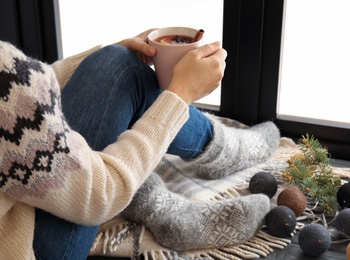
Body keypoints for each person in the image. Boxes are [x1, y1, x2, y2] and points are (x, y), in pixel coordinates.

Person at [0, 28, 279, 259]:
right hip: (25, 248)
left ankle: (217, 151)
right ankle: (177, 194)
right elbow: (100, 195)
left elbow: (24, 96)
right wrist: (180, 96)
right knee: (122, 74)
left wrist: (94, 67)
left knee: (117, 65)